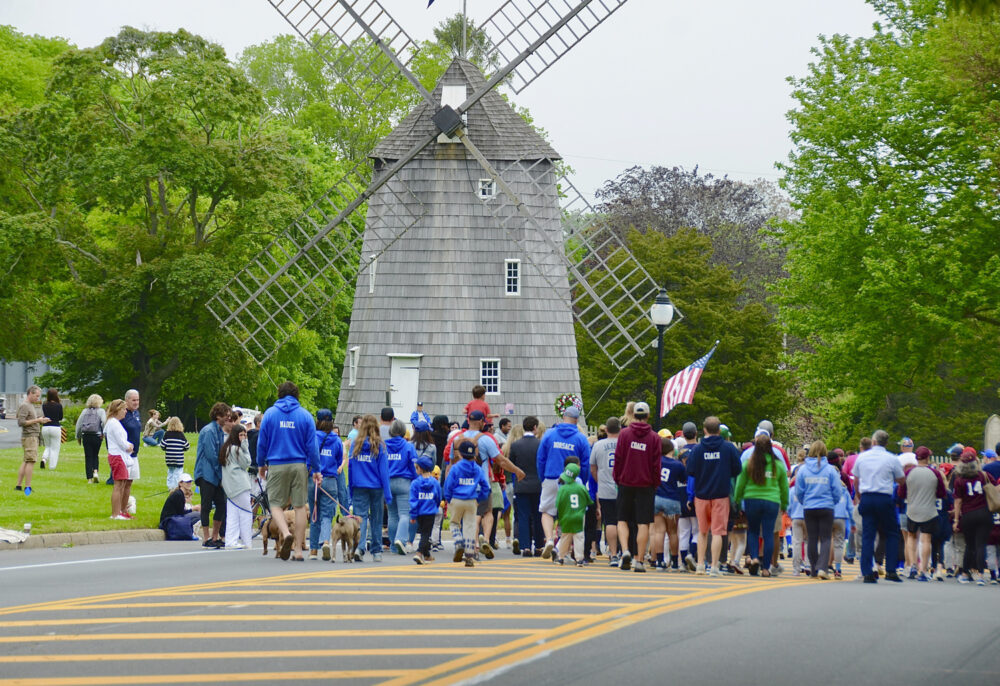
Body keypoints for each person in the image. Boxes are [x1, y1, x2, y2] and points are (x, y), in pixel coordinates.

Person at [257, 381, 320, 562]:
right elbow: (312, 446)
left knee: (275, 504)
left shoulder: (269, 414)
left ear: (279, 394)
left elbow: (262, 442)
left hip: (276, 463)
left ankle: (285, 532)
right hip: (299, 464)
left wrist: (261, 464)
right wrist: (316, 469)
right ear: (296, 395)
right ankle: (299, 550)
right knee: (300, 506)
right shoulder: (305, 416)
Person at [685, 416, 742, 576]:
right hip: (720, 494)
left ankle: (701, 564)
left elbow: (690, 470)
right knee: (718, 531)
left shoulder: (697, 449)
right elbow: (738, 469)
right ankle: (715, 566)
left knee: (702, 532)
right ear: (719, 430)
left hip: (701, 494)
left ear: (704, 430)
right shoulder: (728, 448)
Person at [536, 405, 591, 560]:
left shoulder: (550, 434)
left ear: (563, 417)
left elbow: (540, 458)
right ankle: (564, 548)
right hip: (572, 480)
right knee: (568, 513)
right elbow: (585, 463)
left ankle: (549, 539)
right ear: (577, 419)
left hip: (551, 476)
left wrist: (543, 477)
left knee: (547, 511)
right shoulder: (580, 438)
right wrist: (582, 481)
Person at [612, 402, 660, 573]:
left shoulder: (624, 435)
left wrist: (617, 478)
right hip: (646, 484)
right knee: (643, 523)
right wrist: (655, 483)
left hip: (626, 481)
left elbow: (618, 458)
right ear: (647, 416)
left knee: (622, 519)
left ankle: (625, 550)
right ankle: (639, 559)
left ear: (633, 415)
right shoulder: (654, 437)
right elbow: (656, 464)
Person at [734, 432, 789, 577]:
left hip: (752, 499)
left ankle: (754, 558)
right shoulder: (777, 464)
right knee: (768, 533)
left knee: (752, 531)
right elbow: (784, 486)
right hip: (772, 501)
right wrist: (784, 503)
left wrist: (738, 500)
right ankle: (766, 568)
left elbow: (740, 484)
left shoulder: (749, 463)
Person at [854, 429, 906, 583]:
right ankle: (890, 569)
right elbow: (901, 479)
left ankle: (867, 572)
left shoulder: (862, 458)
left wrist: (859, 495)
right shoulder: (891, 459)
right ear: (886, 443)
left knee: (868, 534)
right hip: (884, 497)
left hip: (867, 496)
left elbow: (856, 480)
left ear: (874, 442)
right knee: (891, 532)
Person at [898, 445, 947, 582]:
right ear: (927, 457)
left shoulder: (909, 473)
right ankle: (923, 570)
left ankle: (912, 566)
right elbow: (941, 493)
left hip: (912, 509)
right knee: (926, 539)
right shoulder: (935, 473)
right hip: (929, 510)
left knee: (911, 537)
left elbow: (901, 492)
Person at [794, 440, 841, 580]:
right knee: (826, 538)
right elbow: (837, 491)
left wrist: (805, 502)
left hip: (809, 507)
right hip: (826, 506)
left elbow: (799, 491)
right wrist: (833, 501)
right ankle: (822, 567)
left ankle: (813, 568)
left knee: (812, 538)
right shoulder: (830, 470)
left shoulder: (803, 470)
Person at [348, 414, 392, 562]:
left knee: (361, 518)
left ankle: (360, 548)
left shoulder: (355, 445)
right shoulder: (379, 445)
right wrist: (388, 493)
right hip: (376, 486)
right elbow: (384, 471)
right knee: (377, 519)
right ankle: (376, 550)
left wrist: (350, 489)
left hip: (359, 485)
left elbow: (351, 467)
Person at [443, 437, 491, 567]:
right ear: (474, 454)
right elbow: (486, 486)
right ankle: (469, 555)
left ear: (459, 453)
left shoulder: (455, 468)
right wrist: (480, 498)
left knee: (454, 523)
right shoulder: (478, 469)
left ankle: (459, 542)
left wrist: (448, 498)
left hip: (457, 499)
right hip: (471, 500)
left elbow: (448, 485)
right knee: (470, 526)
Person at [952, 447, 996, 586]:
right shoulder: (983, 475)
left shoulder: (959, 480)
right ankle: (981, 574)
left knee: (969, 545)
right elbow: (995, 488)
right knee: (980, 545)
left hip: (968, 514)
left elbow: (958, 500)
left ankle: (965, 573)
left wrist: (956, 519)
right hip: (984, 512)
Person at [310, 409, 345, 562]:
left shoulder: (312, 438)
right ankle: (325, 541)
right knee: (326, 514)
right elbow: (338, 461)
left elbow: (308, 457)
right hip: (330, 479)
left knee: (314, 513)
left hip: (313, 479)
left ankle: (313, 551)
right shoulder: (336, 440)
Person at [194, 402, 230, 549]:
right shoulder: (209, 431)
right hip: (206, 474)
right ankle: (206, 537)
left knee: (221, 505)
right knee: (206, 505)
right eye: (226, 416)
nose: (228, 418)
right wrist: (221, 475)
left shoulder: (220, 431)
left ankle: (216, 536)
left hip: (216, 474)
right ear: (218, 416)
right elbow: (211, 455)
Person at [510, 416, 544, 557]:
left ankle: (526, 547)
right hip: (538, 485)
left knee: (523, 516)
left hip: (521, 484)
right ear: (535, 427)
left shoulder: (516, 445)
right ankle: (538, 546)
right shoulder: (540, 444)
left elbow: (512, 465)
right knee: (538, 515)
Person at [654, 435, 687, 572]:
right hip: (672, 499)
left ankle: (660, 561)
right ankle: (674, 562)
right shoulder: (677, 465)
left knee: (658, 531)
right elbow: (683, 480)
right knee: (672, 532)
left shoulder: (655, 462)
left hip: (657, 497)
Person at [591, 417, 621, 565]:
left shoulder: (598, 445)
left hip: (605, 488)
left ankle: (613, 553)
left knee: (609, 521)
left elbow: (593, 467)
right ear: (620, 429)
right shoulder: (624, 444)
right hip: (622, 487)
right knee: (622, 521)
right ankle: (623, 551)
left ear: (606, 430)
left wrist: (600, 480)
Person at [386, 419, 418, 555]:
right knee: (404, 514)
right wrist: (416, 480)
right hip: (404, 482)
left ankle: (393, 545)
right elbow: (414, 467)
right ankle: (401, 539)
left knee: (392, 515)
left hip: (388, 482)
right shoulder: (409, 446)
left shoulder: (384, 446)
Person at [220, 425, 253, 550]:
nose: (243, 438)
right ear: (235, 435)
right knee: (246, 513)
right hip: (240, 484)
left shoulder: (226, 448)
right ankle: (246, 541)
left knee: (233, 514)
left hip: (229, 486)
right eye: (241, 435)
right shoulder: (237, 449)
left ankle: (231, 540)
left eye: (245, 435)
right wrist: (246, 448)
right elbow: (247, 463)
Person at [555, 463, 593, 566]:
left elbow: (558, 503)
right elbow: (588, 501)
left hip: (566, 515)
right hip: (579, 515)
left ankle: (561, 557)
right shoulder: (581, 487)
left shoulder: (563, 489)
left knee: (565, 536)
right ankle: (579, 559)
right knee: (579, 537)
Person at [15, 385, 49, 495]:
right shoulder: (25, 406)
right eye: (36, 395)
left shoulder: (30, 405)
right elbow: (21, 422)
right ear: (30, 393)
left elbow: (30, 420)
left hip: (32, 435)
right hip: (30, 436)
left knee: (26, 460)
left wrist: (41, 421)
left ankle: (19, 486)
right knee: (31, 461)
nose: (38, 398)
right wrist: (37, 420)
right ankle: (27, 487)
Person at [104, 399, 134, 519]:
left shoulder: (113, 423)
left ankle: (119, 512)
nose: (125, 412)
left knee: (122, 484)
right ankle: (115, 514)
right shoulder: (114, 424)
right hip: (117, 456)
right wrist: (129, 446)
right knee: (118, 485)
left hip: (118, 455)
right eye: (124, 409)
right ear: (118, 410)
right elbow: (121, 443)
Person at [409, 455, 442, 564]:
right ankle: (419, 553)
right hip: (430, 512)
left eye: (417, 467)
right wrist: (436, 506)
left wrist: (413, 515)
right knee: (426, 534)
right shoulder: (435, 483)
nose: (416, 469)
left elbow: (413, 500)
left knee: (424, 533)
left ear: (421, 468)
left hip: (419, 512)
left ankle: (426, 554)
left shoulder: (415, 483)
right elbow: (438, 497)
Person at [76, 393, 107, 483]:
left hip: (86, 436)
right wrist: (103, 434)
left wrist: (78, 436)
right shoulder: (101, 411)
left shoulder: (84, 411)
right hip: (97, 436)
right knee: (95, 455)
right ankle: (95, 472)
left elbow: (79, 425)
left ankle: (89, 478)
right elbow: (104, 423)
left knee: (88, 456)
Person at [119, 390, 142, 504]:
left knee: (129, 482)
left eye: (137, 400)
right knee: (122, 483)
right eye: (133, 400)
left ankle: (125, 508)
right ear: (127, 400)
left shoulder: (137, 413)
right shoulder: (122, 414)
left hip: (134, 454)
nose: (136, 402)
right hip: (124, 453)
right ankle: (118, 510)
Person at [160, 417, 190, 490]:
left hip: (169, 458)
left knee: (170, 472)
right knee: (178, 473)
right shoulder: (181, 435)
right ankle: (176, 486)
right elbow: (187, 446)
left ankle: (170, 486)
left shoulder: (167, 434)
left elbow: (162, 445)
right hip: (178, 458)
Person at [40, 388, 63, 470]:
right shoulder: (58, 405)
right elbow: (60, 417)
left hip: (45, 427)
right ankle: (52, 466)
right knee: (55, 448)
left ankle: (44, 458)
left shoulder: (44, 405)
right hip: (55, 427)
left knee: (47, 446)